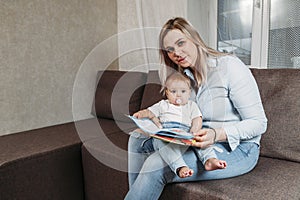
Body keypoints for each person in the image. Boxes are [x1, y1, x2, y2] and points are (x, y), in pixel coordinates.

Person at [125, 17, 267, 200]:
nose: (176, 52)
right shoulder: (182, 79)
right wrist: (156, 126)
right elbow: (183, 117)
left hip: (238, 148)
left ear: (194, 38)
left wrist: (217, 134)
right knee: (136, 137)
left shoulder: (230, 66)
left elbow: (259, 123)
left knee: (156, 164)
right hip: (196, 141)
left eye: (181, 43)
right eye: (170, 50)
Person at [133, 72, 227, 178]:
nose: (178, 95)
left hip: (185, 133)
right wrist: (141, 114)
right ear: (167, 93)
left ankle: (210, 160)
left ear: (189, 93)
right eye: (173, 91)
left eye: (183, 91)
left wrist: (194, 132)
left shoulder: (191, 105)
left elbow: (197, 119)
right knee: (163, 144)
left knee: (202, 141)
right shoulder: (163, 104)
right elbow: (149, 112)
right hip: (167, 133)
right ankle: (180, 167)